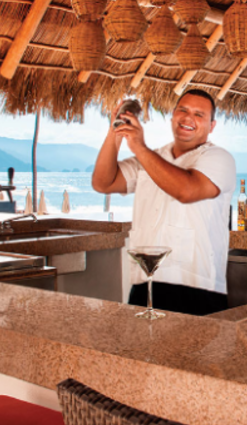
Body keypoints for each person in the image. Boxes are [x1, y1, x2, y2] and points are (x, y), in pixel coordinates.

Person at [92, 90, 236, 316]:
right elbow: (103, 182)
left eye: (199, 114)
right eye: (183, 110)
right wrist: (116, 132)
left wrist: (139, 147)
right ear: (172, 116)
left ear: (212, 126)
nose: (188, 118)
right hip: (145, 283)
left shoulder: (219, 158)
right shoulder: (151, 158)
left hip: (196, 287)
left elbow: (186, 190)